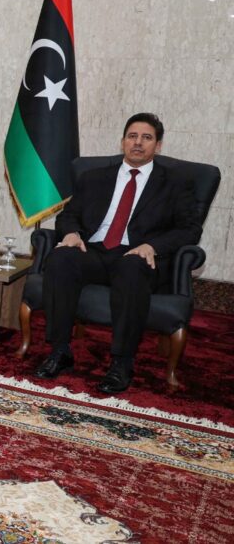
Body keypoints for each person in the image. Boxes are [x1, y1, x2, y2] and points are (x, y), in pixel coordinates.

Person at [33, 113, 201, 394]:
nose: (138, 143)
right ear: (123, 141)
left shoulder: (175, 182)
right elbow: (68, 216)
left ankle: (122, 363)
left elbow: (190, 229)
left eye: (146, 138)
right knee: (61, 258)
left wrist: (153, 246)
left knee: (131, 268)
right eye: (132, 136)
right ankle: (60, 351)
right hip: (95, 250)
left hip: (138, 255)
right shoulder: (94, 177)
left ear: (158, 145)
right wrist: (71, 234)